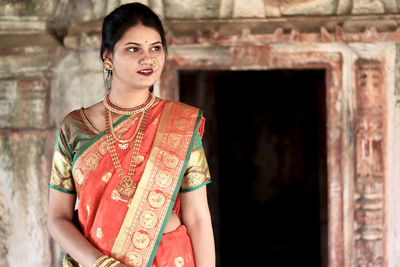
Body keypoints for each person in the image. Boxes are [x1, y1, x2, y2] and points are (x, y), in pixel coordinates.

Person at [47, 2, 215, 267]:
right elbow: (57, 218)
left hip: (171, 259)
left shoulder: (180, 124)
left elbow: (197, 217)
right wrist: (102, 264)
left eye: (156, 48)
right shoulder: (74, 128)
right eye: (133, 49)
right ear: (108, 57)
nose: (148, 58)